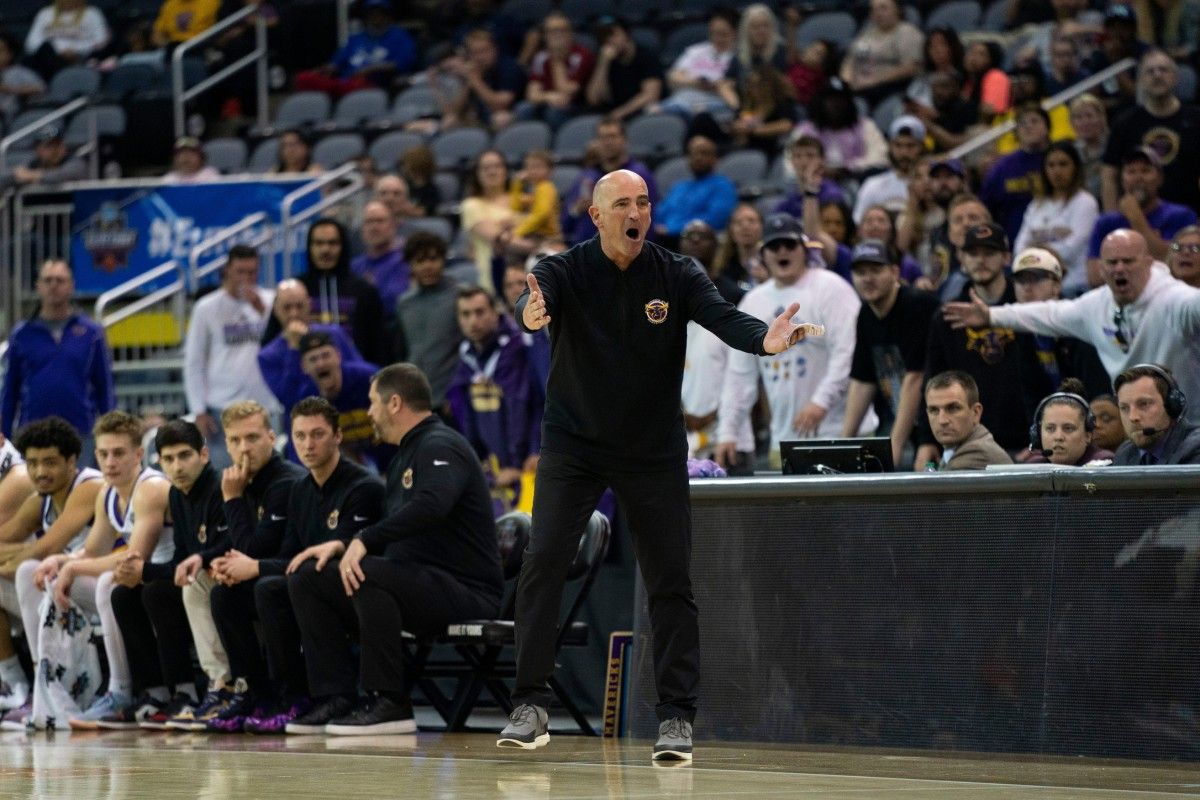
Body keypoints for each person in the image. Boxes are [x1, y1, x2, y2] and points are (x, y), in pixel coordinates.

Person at [496, 169, 819, 759]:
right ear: (596, 217)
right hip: (575, 442)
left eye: (643, 201)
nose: (635, 211)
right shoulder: (562, 271)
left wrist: (765, 341)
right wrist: (530, 313)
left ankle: (676, 718)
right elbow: (529, 301)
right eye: (621, 203)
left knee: (671, 579)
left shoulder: (676, 272)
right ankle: (531, 704)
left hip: (651, 449)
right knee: (542, 561)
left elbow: (725, 319)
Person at [285, 365, 502, 735]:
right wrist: (343, 544)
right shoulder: (403, 454)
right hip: (415, 583)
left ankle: (390, 700)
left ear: (395, 403)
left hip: (465, 590)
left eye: (373, 403)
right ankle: (336, 695)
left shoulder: (440, 444)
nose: (368, 412)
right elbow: (394, 526)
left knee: (367, 571)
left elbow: (433, 504)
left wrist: (364, 540)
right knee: (310, 576)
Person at [209, 397, 384, 733]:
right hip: (305, 585)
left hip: (357, 592)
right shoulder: (303, 489)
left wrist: (256, 567)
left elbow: (338, 558)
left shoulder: (362, 487)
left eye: (317, 434)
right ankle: (257, 694)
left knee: (271, 588)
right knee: (225, 595)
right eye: (301, 436)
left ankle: (296, 696)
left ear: (337, 437)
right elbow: (290, 554)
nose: (308, 444)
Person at [942, 229, 1200, 427]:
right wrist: (990, 315)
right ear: (1101, 268)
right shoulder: (1096, 305)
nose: (1119, 268)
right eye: (1112, 263)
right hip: (1134, 428)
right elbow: (1049, 312)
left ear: (1148, 263)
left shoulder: (1174, 301)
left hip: (1189, 427)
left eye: (1128, 261)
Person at [29, 412, 172, 729]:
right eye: (103, 454)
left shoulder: (150, 488)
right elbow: (93, 550)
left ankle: (119, 691)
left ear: (138, 454)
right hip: (140, 585)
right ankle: (55, 685)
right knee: (44, 576)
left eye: (119, 453)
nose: (110, 462)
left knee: (109, 582)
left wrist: (74, 564)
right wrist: (62, 561)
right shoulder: (108, 493)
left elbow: (133, 558)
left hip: (168, 578)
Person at [106, 420, 229, 729]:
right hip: (194, 575)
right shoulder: (176, 495)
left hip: (222, 576)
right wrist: (137, 570)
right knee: (123, 594)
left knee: (155, 592)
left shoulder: (220, 488)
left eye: (185, 456)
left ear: (203, 455)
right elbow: (180, 558)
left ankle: (188, 691)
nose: (177, 466)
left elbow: (226, 546)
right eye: (169, 459)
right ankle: (156, 692)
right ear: (159, 462)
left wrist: (146, 572)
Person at [196, 400, 306, 732]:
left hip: (298, 577)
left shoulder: (285, 481)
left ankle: (289, 696)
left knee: (262, 590)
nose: (244, 448)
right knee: (222, 594)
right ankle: (251, 690)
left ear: (272, 438)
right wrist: (221, 564)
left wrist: (232, 500)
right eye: (235, 440)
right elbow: (239, 549)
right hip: (268, 575)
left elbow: (253, 549)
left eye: (253, 438)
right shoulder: (242, 481)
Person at [0, 417, 101, 719]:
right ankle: (17, 684)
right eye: (32, 463)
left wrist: (16, 557)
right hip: (63, 587)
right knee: (31, 570)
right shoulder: (39, 499)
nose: (40, 472)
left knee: (28, 569)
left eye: (49, 462)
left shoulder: (89, 486)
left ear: (72, 461)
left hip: (102, 585)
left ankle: (44, 687)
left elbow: (45, 549)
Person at [922, 223, 1039, 458]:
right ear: (961, 258)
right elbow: (934, 380)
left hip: (1025, 443)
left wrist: (1039, 441)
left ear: (1006, 257)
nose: (980, 260)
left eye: (989, 253)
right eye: (973, 253)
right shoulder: (947, 316)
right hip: (965, 444)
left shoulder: (1026, 310)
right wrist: (926, 441)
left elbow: (1041, 381)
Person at [841, 241, 940, 468]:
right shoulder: (866, 313)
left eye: (876, 270)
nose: (867, 279)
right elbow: (862, 381)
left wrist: (893, 448)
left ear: (895, 272)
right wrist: (842, 447)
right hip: (901, 418)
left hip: (937, 422)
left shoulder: (917, 306)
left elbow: (915, 378)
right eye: (860, 272)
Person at [447, 286, 540, 513]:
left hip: (528, 465)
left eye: (480, 312)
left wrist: (531, 454)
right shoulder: (465, 358)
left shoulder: (519, 350)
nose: (473, 321)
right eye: (466, 314)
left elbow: (534, 405)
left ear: (495, 311)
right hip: (494, 472)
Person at [183, 245, 277, 470]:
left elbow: (281, 344)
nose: (245, 278)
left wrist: (264, 311)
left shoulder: (271, 301)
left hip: (265, 404)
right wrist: (198, 410)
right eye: (240, 271)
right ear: (227, 270)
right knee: (225, 475)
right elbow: (194, 361)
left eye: (252, 272)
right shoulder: (206, 307)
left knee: (267, 472)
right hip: (221, 406)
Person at [2, 260, 114, 447]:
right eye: (48, 280)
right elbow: (9, 392)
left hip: (81, 433)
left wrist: (110, 434)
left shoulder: (92, 333)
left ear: (71, 285)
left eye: (60, 280)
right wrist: (3, 435)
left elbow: (105, 388)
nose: (53, 285)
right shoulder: (21, 335)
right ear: (38, 286)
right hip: (32, 435)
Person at [1101, 49, 1200, 212]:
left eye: (1163, 70)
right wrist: (1112, 220)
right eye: (1150, 71)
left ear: (1175, 77)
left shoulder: (1196, 119)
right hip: (1137, 217)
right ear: (1140, 80)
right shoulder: (1124, 122)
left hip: (1190, 221)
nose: (1157, 75)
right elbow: (1109, 175)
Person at [288, 217, 389, 366]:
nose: (325, 250)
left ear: (343, 246)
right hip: (306, 380)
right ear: (310, 247)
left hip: (356, 380)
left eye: (332, 243)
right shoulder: (294, 290)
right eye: (319, 243)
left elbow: (380, 346)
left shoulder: (364, 290)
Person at [1087, 147, 1196, 280]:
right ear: (1122, 180)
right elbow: (1094, 277)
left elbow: (1171, 265)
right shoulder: (1106, 222)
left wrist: (1136, 217)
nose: (1138, 178)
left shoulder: (1181, 216)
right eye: (1131, 171)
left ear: (1160, 178)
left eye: (1145, 171)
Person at [1013, 142, 1099, 297]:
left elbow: (1070, 250)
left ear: (1075, 167)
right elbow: (1019, 248)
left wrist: (1035, 248)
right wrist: (1048, 250)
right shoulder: (1036, 205)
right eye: (1051, 165)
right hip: (1038, 290)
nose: (1057, 171)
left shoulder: (1085, 202)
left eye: (1063, 164)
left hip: (1075, 287)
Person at [393, 232, 462, 415]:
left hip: (451, 402)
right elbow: (402, 352)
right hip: (415, 401)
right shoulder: (404, 303)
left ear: (443, 260)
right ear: (410, 265)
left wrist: (457, 394)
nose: (427, 266)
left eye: (433, 259)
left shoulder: (460, 297)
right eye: (420, 260)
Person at [560, 118, 657, 246]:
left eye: (612, 136)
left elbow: (649, 221)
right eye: (602, 138)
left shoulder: (638, 175)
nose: (607, 142)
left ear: (625, 141)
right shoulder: (586, 177)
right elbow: (565, 223)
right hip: (582, 252)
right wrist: (577, 209)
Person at [293, 0, 417, 96]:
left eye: (379, 13)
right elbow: (337, 62)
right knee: (303, 78)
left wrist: (371, 69)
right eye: (371, 13)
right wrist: (326, 69)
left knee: (354, 85)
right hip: (346, 81)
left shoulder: (399, 36)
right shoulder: (356, 38)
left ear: (387, 15)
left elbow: (402, 63)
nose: (375, 17)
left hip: (374, 84)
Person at [979, 104, 1050, 242]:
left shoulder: (1059, 160)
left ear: (1047, 127)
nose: (1028, 126)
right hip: (1012, 242)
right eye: (1022, 124)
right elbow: (985, 207)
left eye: (1034, 121)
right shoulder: (1002, 167)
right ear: (1016, 131)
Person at [653, 135, 738, 244]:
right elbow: (659, 213)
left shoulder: (723, 186)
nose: (698, 158)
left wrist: (672, 229)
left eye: (704, 153)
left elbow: (715, 219)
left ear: (715, 158)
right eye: (693, 154)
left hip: (696, 242)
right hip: (664, 240)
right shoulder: (679, 187)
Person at [839, 0, 924, 108]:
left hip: (888, 87)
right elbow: (850, 61)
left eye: (883, 8)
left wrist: (873, 81)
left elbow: (911, 67)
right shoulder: (867, 35)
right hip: (858, 87)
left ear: (897, 10)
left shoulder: (907, 32)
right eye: (873, 9)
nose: (877, 13)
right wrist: (845, 82)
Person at [516, 12, 594, 130]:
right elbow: (531, 94)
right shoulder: (540, 57)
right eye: (552, 31)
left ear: (571, 33)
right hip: (549, 101)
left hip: (577, 106)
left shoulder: (582, 55)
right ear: (545, 36)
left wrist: (557, 60)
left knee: (554, 111)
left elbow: (567, 94)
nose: (558, 35)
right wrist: (548, 97)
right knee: (523, 108)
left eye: (562, 30)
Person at [657, 7, 737, 120]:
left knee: (699, 112)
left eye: (723, 34)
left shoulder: (738, 57)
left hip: (717, 102)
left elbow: (734, 85)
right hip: (684, 98)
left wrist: (716, 85)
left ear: (735, 32)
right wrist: (697, 83)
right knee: (654, 110)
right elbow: (673, 77)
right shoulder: (696, 51)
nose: (717, 38)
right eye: (713, 33)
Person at [924, 370, 1014, 470]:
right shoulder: (957, 449)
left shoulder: (976, 455)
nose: (942, 420)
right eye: (934, 410)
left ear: (976, 412)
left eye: (953, 408)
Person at [1112, 364, 1200, 465]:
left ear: (1172, 406)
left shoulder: (1195, 448)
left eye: (1144, 404)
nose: (1133, 417)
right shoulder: (1124, 454)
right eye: (1124, 408)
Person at [440, 27, 525, 132]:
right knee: (450, 121)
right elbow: (455, 111)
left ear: (494, 49)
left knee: (500, 119)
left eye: (484, 51)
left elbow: (500, 104)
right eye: (475, 52)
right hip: (481, 117)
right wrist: (467, 82)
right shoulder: (473, 69)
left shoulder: (509, 67)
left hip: (512, 115)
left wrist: (475, 80)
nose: (480, 57)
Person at [584, 15, 662, 122]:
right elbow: (593, 99)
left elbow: (651, 95)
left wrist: (619, 113)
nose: (609, 40)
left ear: (626, 34)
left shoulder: (646, 56)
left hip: (641, 113)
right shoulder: (604, 59)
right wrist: (603, 64)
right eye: (604, 36)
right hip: (614, 114)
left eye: (613, 34)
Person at [1024, 379, 1115, 466]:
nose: (1058, 437)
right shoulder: (1035, 466)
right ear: (1037, 434)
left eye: (1068, 428)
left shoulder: (1103, 464)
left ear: (1088, 435)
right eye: (1050, 429)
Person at [853, 115, 925, 223]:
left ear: (921, 147)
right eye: (898, 145)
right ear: (890, 146)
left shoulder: (928, 186)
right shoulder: (873, 185)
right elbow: (859, 222)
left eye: (910, 146)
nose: (904, 153)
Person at [23, 0, 109, 80]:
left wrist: (77, 51)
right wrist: (59, 53)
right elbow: (31, 44)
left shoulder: (92, 13)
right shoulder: (45, 13)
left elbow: (101, 41)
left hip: (81, 59)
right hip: (49, 59)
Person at [351, 200, 409, 314]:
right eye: (369, 222)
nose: (374, 227)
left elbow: (396, 303)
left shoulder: (405, 261)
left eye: (380, 221)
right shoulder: (355, 265)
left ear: (393, 225)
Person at [1, 124, 86, 189]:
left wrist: (33, 176)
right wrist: (19, 174)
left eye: (52, 145)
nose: (45, 150)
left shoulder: (74, 161)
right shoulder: (34, 162)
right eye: (42, 146)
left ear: (61, 146)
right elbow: (17, 174)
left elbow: (64, 175)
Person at [509, 150, 561, 243]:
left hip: (547, 237)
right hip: (536, 234)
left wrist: (518, 232)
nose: (533, 171)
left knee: (509, 242)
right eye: (529, 167)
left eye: (538, 167)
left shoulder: (546, 187)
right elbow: (514, 208)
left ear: (550, 171)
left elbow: (542, 214)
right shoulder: (534, 191)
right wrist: (517, 184)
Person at [151, 0, 217, 46]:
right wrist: (168, 45)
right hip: (172, 48)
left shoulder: (212, 2)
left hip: (200, 47)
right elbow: (156, 35)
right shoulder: (171, 3)